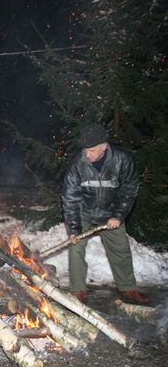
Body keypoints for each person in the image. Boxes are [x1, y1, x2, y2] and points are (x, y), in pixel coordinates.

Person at [62, 123, 147, 304]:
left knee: (121, 250)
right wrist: (73, 229)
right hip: (84, 213)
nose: (88, 155)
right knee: (75, 247)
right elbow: (70, 198)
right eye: (86, 150)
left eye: (92, 150)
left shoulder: (121, 160)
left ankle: (128, 288)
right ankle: (77, 291)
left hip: (111, 214)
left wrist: (118, 215)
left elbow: (129, 189)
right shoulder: (77, 164)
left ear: (104, 146)